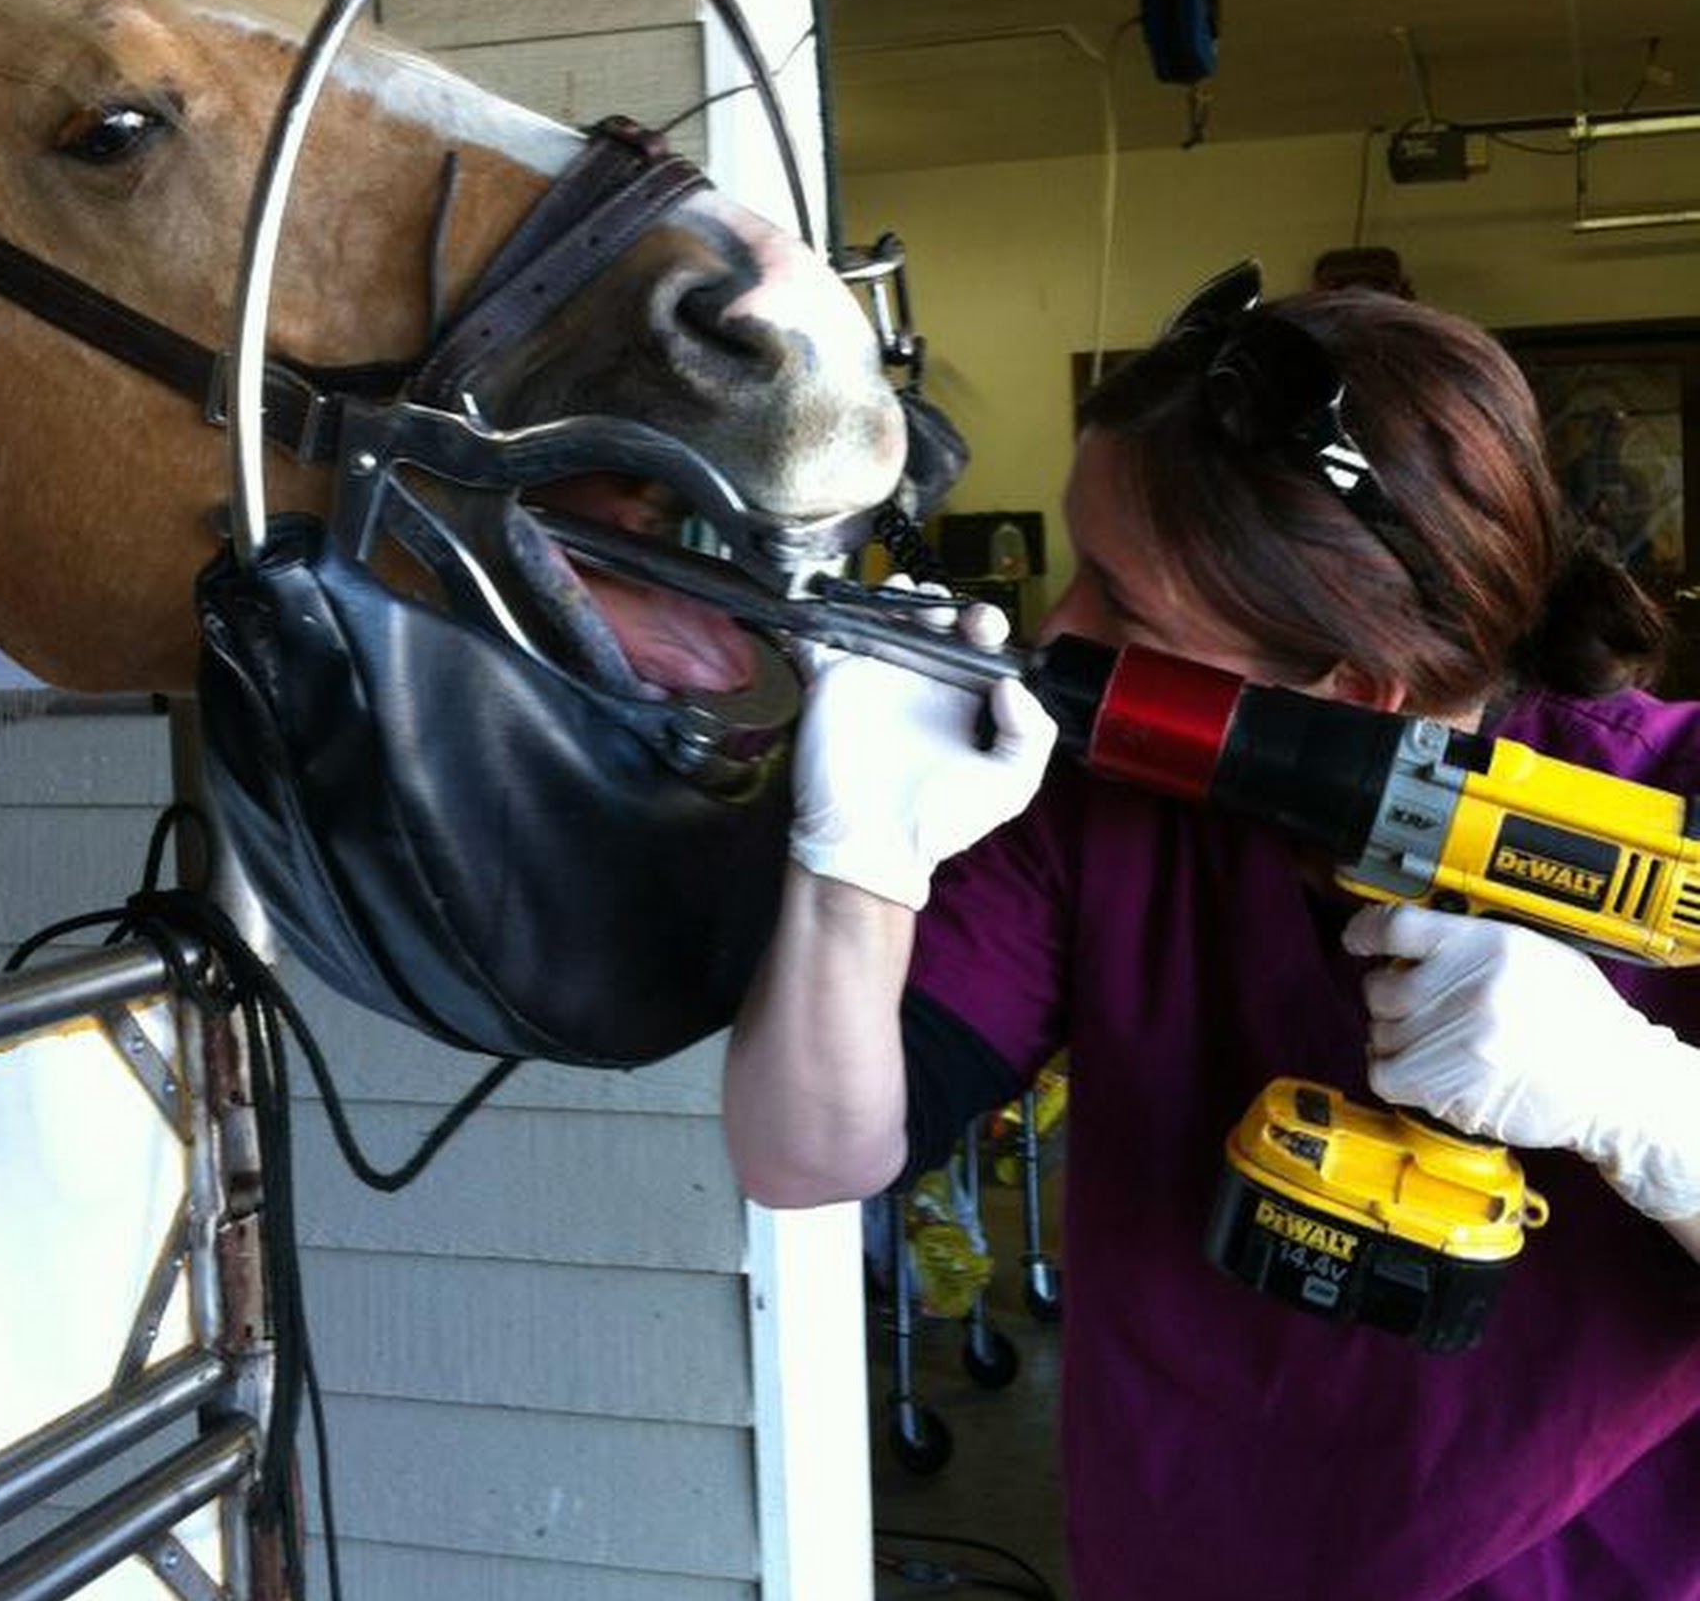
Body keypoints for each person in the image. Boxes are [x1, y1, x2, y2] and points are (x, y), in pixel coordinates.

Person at [723, 264, 1700, 1601]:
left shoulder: (1668, 812)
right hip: (1183, 1556)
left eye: (1123, 606)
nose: (1056, 627)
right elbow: (807, 1155)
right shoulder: (1101, 801)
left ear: (1355, 690)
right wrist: (857, 864)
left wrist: (1636, 1101)